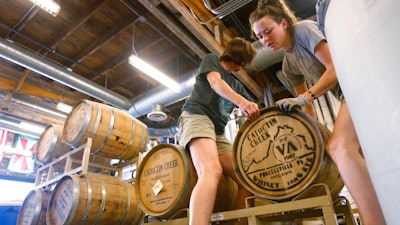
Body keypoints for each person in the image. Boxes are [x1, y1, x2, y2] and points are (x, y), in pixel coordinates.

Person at [249, 1, 386, 225]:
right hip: (347, 97)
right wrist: (307, 140)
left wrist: (305, 97)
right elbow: (306, 108)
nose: (265, 39)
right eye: (260, 37)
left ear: (283, 24)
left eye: (268, 31)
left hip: (360, 84)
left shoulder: (303, 30)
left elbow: (334, 68)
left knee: (339, 147)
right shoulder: (288, 67)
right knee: (358, 154)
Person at [178, 37, 260, 225]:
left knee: (248, 179)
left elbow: (255, 110)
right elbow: (215, 83)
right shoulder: (212, 60)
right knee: (211, 170)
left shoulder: (238, 85)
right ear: (242, 60)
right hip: (196, 116)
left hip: (217, 132)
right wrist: (243, 103)